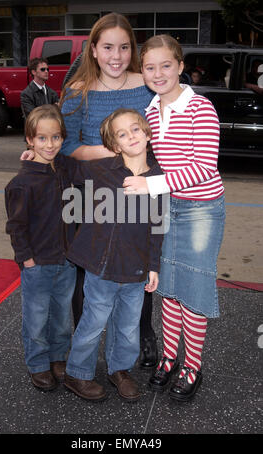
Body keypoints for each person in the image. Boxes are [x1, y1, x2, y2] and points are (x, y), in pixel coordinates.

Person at [123, 34, 226, 401]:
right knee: (167, 289)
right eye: (150, 67)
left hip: (200, 210)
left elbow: (203, 167)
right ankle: (169, 358)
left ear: (181, 67)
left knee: (192, 292)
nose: (158, 73)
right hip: (167, 208)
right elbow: (137, 155)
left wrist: (150, 187)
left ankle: (191, 365)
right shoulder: (150, 111)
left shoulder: (201, 108)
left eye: (166, 65)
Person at [59, 12, 158, 368]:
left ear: (133, 49)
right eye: (107, 47)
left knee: (138, 265)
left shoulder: (148, 86)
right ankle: (83, 347)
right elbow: (67, 146)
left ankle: (144, 334)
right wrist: (114, 148)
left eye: (124, 47)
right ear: (93, 50)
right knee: (86, 270)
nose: (116, 56)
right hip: (88, 195)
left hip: (136, 193)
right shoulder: (77, 92)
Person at [56, 108, 165, 401]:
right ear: (114, 144)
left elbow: (158, 227)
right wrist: (38, 156)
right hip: (100, 268)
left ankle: (120, 370)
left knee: (128, 327)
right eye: (122, 133)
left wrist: (153, 266)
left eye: (135, 129)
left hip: (135, 269)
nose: (131, 136)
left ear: (147, 133)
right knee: (93, 322)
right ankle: (77, 373)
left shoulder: (158, 180)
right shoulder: (102, 169)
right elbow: (65, 167)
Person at [5, 104, 77, 392]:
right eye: (42, 138)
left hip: (66, 261)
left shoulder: (64, 169)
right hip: (38, 265)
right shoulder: (21, 184)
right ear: (29, 140)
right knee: (36, 318)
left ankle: (58, 357)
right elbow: (16, 227)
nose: (50, 144)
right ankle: (37, 364)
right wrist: (27, 261)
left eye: (56, 137)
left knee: (61, 316)